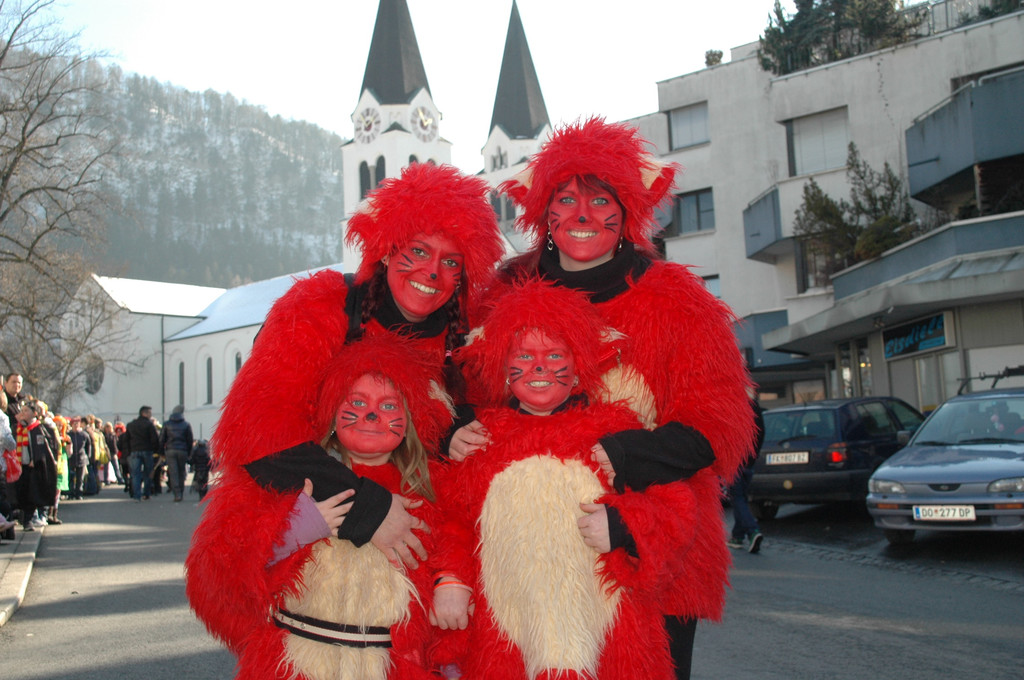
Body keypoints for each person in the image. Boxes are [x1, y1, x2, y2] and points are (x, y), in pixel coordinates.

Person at [450, 118, 756, 679]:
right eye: (566, 199)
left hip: (650, 555)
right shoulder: (501, 294)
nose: (583, 215)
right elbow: (460, 385)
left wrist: (624, 455)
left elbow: (717, 426)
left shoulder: (676, 302)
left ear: (627, 211)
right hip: (524, 563)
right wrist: (457, 425)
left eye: (600, 200)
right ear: (544, 211)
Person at [187, 162, 502, 659]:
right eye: (419, 251)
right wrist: (366, 507)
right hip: (306, 551)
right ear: (387, 247)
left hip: (402, 582)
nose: (432, 273)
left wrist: (453, 428)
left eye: (451, 262)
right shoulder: (321, 305)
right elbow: (258, 430)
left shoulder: (460, 341)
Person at [431, 281, 695, 680]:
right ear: (503, 369)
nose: (539, 367)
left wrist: (625, 525)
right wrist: (451, 579)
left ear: (578, 369)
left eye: (555, 355)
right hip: (508, 634)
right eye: (524, 356)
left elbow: (676, 507)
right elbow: (454, 521)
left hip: (607, 634)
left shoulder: (618, 434)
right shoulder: (481, 439)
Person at [186, 336, 453, 680]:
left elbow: (452, 561)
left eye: (389, 406)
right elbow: (222, 576)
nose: (372, 414)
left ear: (409, 421)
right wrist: (295, 531)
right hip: (296, 665)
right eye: (357, 402)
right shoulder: (291, 483)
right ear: (332, 414)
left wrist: (451, 586)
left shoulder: (429, 490)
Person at [727, 395, 765, 553]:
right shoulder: (753, 406)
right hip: (749, 461)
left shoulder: (732, 405)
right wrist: (753, 455)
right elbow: (761, 433)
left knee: (737, 498)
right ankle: (737, 536)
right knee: (740, 497)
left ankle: (753, 531)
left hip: (735, 461)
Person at [14, 399, 58, 532]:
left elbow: (44, 448)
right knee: (21, 493)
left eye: (26, 411)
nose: (23, 413)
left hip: (35, 467)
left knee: (32, 494)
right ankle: (23, 518)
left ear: (34, 413)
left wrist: (36, 459)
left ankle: (29, 520)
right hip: (20, 466)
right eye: (22, 411)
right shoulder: (18, 428)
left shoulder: (39, 429)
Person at [125, 405, 161, 500]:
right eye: (149, 413)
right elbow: (154, 439)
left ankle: (137, 495)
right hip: (147, 450)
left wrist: (128, 451)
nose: (151, 415)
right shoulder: (149, 425)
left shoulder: (131, 424)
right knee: (148, 473)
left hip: (134, 451)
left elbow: (126, 439)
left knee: (135, 474)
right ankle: (146, 493)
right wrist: (156, 450)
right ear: (144, 413)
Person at [160, 405, 194, 502]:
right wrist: (189, 453)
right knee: (181, 471)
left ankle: (177, 493)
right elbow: (190, 440)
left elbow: (162, 439)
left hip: (170, 450)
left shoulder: (166, 424)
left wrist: (161, 452)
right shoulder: (186, 424)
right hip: (183, 450)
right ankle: (181, 492)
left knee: (173, 472)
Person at [68, 417, 92, 500]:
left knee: (80, 478)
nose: (76, 425)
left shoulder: (84, 435)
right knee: (71, 477)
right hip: (71, 458)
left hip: (81, 458)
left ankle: (79, 493)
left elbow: (88, 446)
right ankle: (71, 493)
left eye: (77, 424)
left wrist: (88, 456)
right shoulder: (69, 435)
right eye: (74, 424)